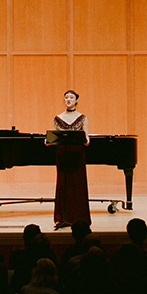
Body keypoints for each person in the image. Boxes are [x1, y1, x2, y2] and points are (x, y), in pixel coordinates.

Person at [51, 89, 90, 229]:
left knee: (77, 186)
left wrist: (83, 139)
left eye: (71, 97)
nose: (68, 99)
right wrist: (49, 140)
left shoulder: (82, 118)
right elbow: (55, 137)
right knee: (63, 186)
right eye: (66, 97)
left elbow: (87, 140)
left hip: (77, 154)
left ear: (76, 100)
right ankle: (62, 218)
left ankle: (79, 218)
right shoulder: (58, 118)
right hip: (63, 154)